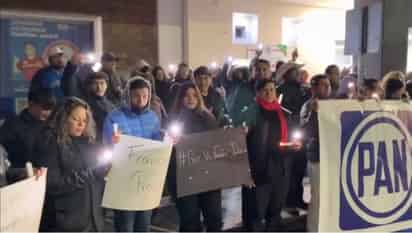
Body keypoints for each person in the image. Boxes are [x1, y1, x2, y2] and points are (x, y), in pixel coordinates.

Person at [31, 97, 107, 232]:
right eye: (75, 119)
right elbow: (52, 184)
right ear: (63, 118)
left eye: (84, 121)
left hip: (92, 222)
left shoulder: (88, 142)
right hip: (66, 224)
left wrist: (104, 171)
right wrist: (91, 174)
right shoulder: (50, 143)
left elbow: (95, 179)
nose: (81, 124)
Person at [241, 79, 301, 231]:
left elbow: (293, 136)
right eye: (265, 90)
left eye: (272, 89)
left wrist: (295, 145)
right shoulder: (249, 114)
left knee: (275, 209)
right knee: (255, 211)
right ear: (258, 93)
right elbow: (241, 144)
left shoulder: (284, 113)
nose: (269, 93)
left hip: (280, 168)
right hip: (259, 169)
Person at [103, 78, 161, 232]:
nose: (141, 100)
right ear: (128, 95)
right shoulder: (114, 117)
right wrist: (114, 142)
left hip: (145, 180)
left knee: (143, 224)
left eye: (145, 96)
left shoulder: (153, 117)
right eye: (136, 95)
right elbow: (109, 144)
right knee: (125, 225)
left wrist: (167, 140)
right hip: (124, 180)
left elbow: (157, 145)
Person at [168, 82, 222, 232]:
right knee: (190, 221)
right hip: (185, 178)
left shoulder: (209, 118)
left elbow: (218, 145)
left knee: (214, 218)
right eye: (186, 95)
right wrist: (171, 143)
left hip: (208, 178)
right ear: (180, 99)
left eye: (194, 95)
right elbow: (167, 153)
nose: (190, 98)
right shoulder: (173, 120)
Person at [300, 74, 331, 232]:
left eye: (328, 84)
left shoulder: (333, 104)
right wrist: (313, 113)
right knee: (317, 197)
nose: (327, 87)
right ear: (313, 88)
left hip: (332, 157)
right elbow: (306, 131)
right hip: (317, 157)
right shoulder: (308, 106)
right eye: (323, 85)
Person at [0, 88, 56, 168]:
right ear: (31, 104)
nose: (49, 112)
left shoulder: (53, 124)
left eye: (51, 108)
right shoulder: (13, 125)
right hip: (23, 175)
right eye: (45, 108)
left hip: (51, 175)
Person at [85, 72, 115, 143]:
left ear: (106, 85)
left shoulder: (111, 105)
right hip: (95, 142)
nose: (99, 87)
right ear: (90, 86)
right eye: (95, 83)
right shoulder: (86, 105)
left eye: (102, 83)